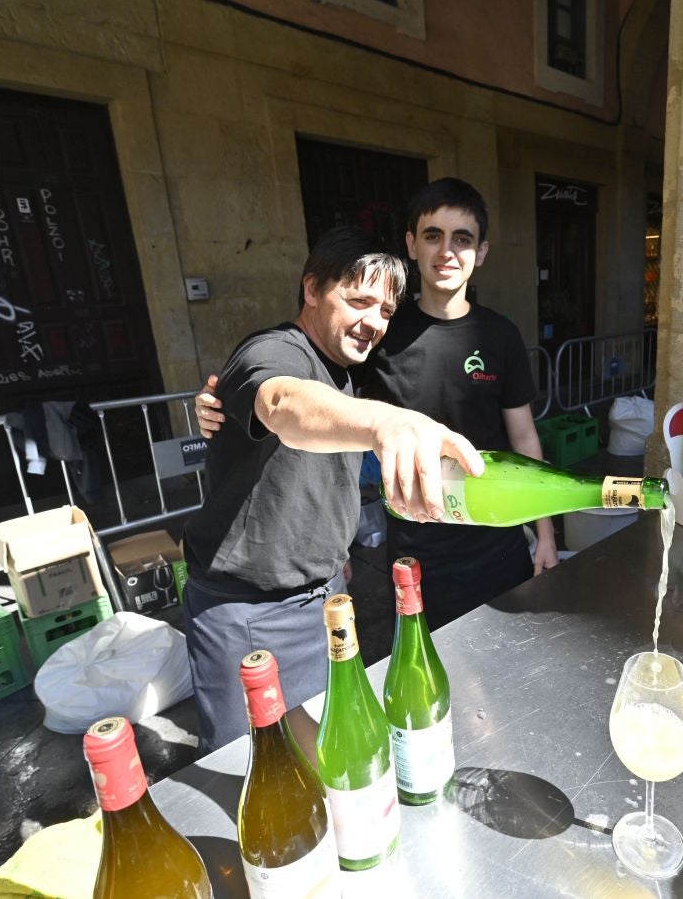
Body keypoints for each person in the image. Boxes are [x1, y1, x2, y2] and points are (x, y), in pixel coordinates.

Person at [183, 225, 482, 755]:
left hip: (321, 603)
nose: (372, 322)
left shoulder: (342, 368)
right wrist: (385, 423)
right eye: (358, 300)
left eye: (385, 311)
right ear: (311, 289)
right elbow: (283, 405)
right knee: (253, 773)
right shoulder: (275, 351)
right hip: (249, 614)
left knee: (329, 762)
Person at [352, 177, 558, 628]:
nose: (447, 251)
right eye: (433, 236)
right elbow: (332, 413)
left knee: (512, 667)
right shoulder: (382, 332)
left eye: (462, 239)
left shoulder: (499, 335)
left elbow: (524, 437)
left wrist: (545, 534)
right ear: (411, 244)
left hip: (498, 543)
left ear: (480, 253)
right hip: (416, 555)